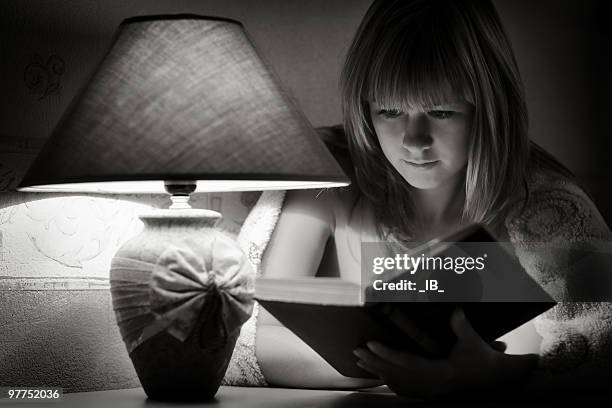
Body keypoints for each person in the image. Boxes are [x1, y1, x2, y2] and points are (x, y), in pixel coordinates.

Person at [222, 0, 612, 399]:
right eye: (390, 111)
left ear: (490, 110)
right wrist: (389, 368)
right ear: (365, 107)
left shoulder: (547, 201)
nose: (414, 141)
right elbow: (235, 336)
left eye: (441, 112)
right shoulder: (329, 175)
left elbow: (599, 352)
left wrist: (492, 374)